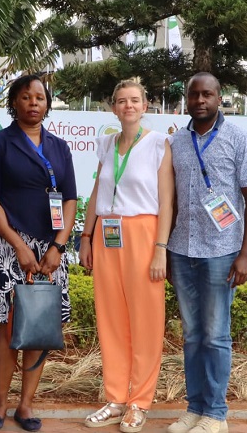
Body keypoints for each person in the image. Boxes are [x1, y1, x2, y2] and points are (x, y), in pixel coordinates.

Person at [0, 74, 77, 432]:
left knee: (40, 325)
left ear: (48, 104)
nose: (34, 103)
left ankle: (26, 405)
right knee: (11, 325)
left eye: (40, 98)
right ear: (14, 101)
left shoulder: (60, 147)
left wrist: (58, 246)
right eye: (26, 97)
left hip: (50, 251)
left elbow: (71, 200)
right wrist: (18, 244)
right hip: (9, 246)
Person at [166, 73, 247, 433]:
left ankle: (216, 414)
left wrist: (245, 254)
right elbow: (171, 201)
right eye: (194, 94)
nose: (200, 100)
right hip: (181, 249)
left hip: (222, 251)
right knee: (192, 334)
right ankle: (195, 408)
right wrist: (164, 249)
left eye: (207, 94)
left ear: (220, 98)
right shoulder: (176, 141)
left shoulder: (240, 139)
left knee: (216, 334)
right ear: (186, 98)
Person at [79, 79, 174, 433]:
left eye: (135, 100)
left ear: (145, 105)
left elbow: (166, 201)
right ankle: (117, 397)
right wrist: (85, 236)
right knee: (111, 319)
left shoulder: (158, 144)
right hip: (107, 234)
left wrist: (160, 249)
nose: (128, 106)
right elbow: (97, 191)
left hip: (143, 234)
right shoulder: (106, 144)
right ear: (114, 107)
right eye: (121, 101)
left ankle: (139, 402)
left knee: (146, 321)